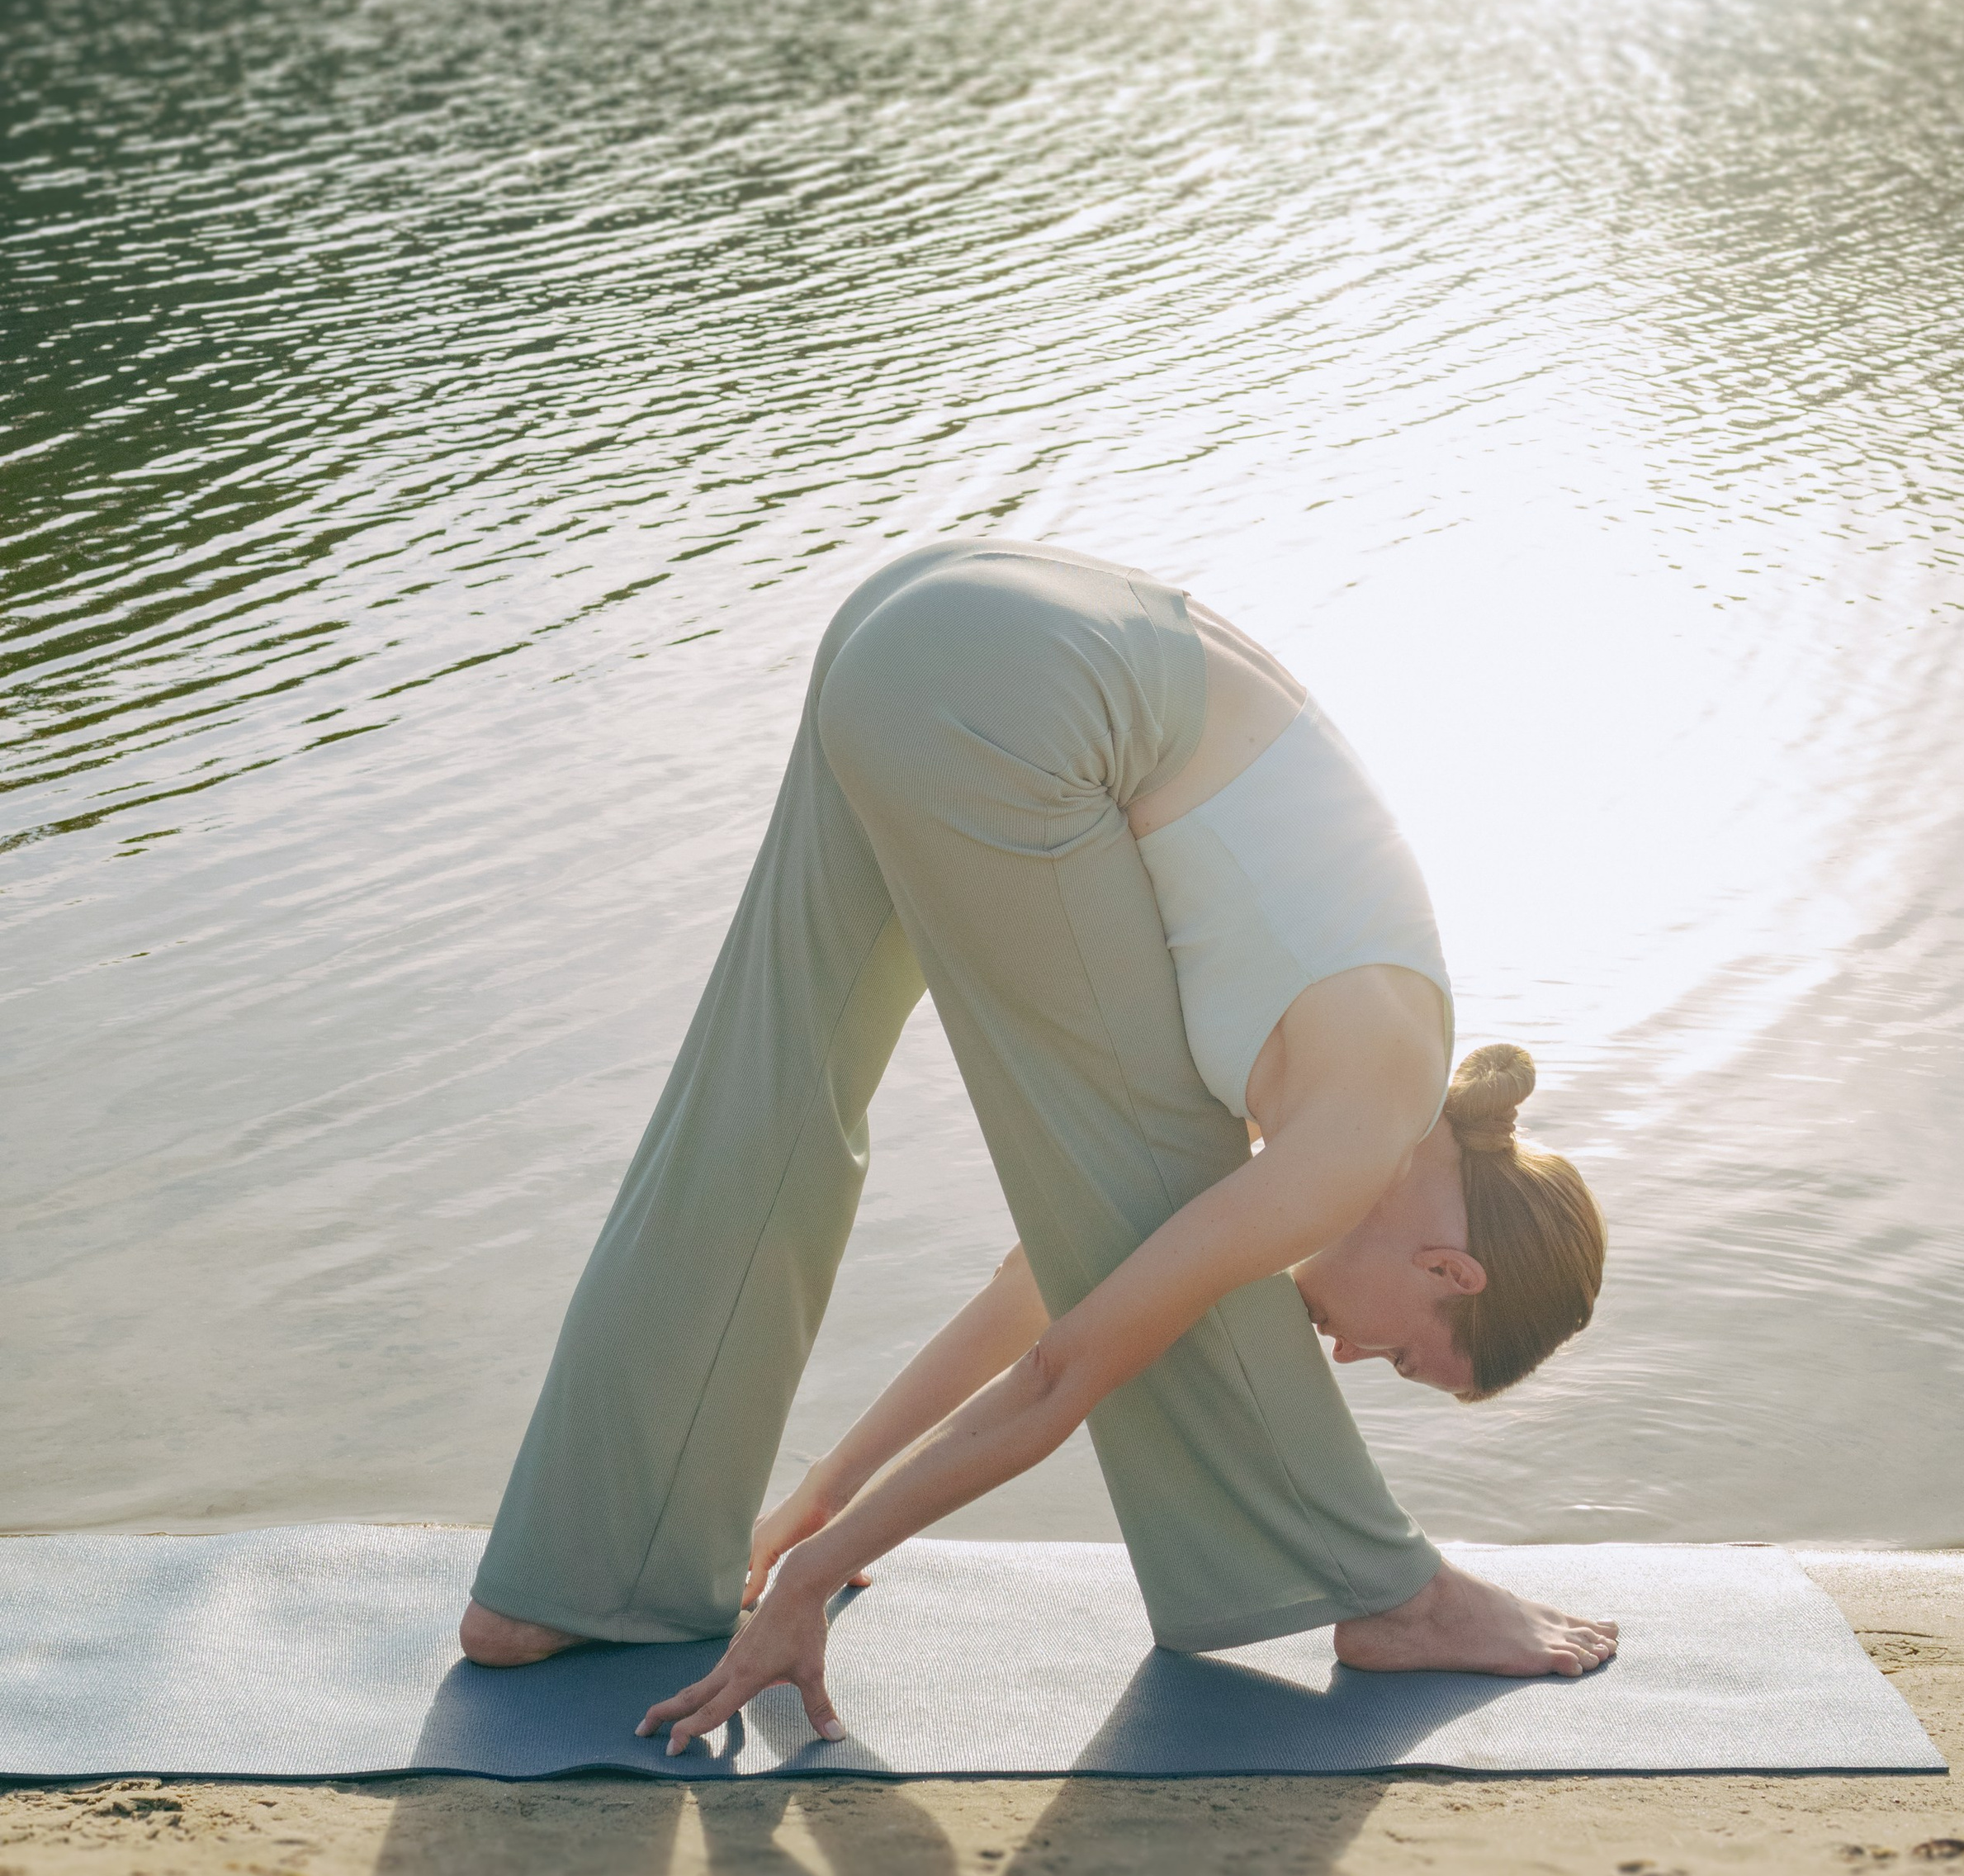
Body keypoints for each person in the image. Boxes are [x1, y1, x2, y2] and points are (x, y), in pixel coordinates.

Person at [459, 536, 1612, 1750]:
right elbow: (1066, 1370)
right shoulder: (1350, 1137)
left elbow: (1035, 1286)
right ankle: (1400, 1593)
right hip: (1015, 698)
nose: (1345, 1352)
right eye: (1402, 1357)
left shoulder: (1364, 1056)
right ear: (1453, 1272)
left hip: (921, 619)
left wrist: (818, 1509)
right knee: (1160, 1275)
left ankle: (574, 1574)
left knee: (763, 1111)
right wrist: (813, 1583)